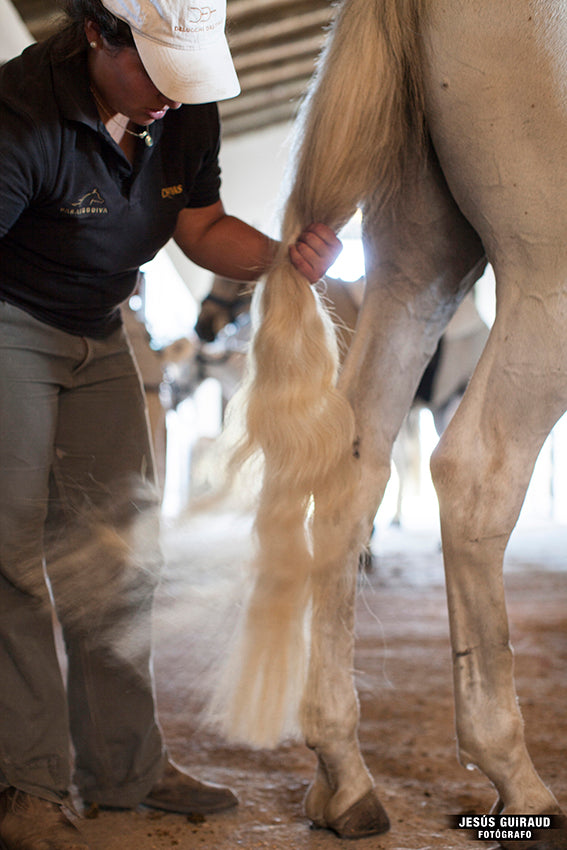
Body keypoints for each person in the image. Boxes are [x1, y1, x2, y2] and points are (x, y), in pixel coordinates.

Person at [0, 0, 342, 845]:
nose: (168, 96)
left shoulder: (181, 103)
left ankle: (124, 768)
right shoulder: (20, 114)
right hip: (11, 321)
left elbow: (199, 225)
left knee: (120, 553)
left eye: (183, 78)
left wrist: (281, 260)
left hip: (103, 326)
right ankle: (28, 782)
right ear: (96, 33)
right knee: (11, 556)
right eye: (152, 71)